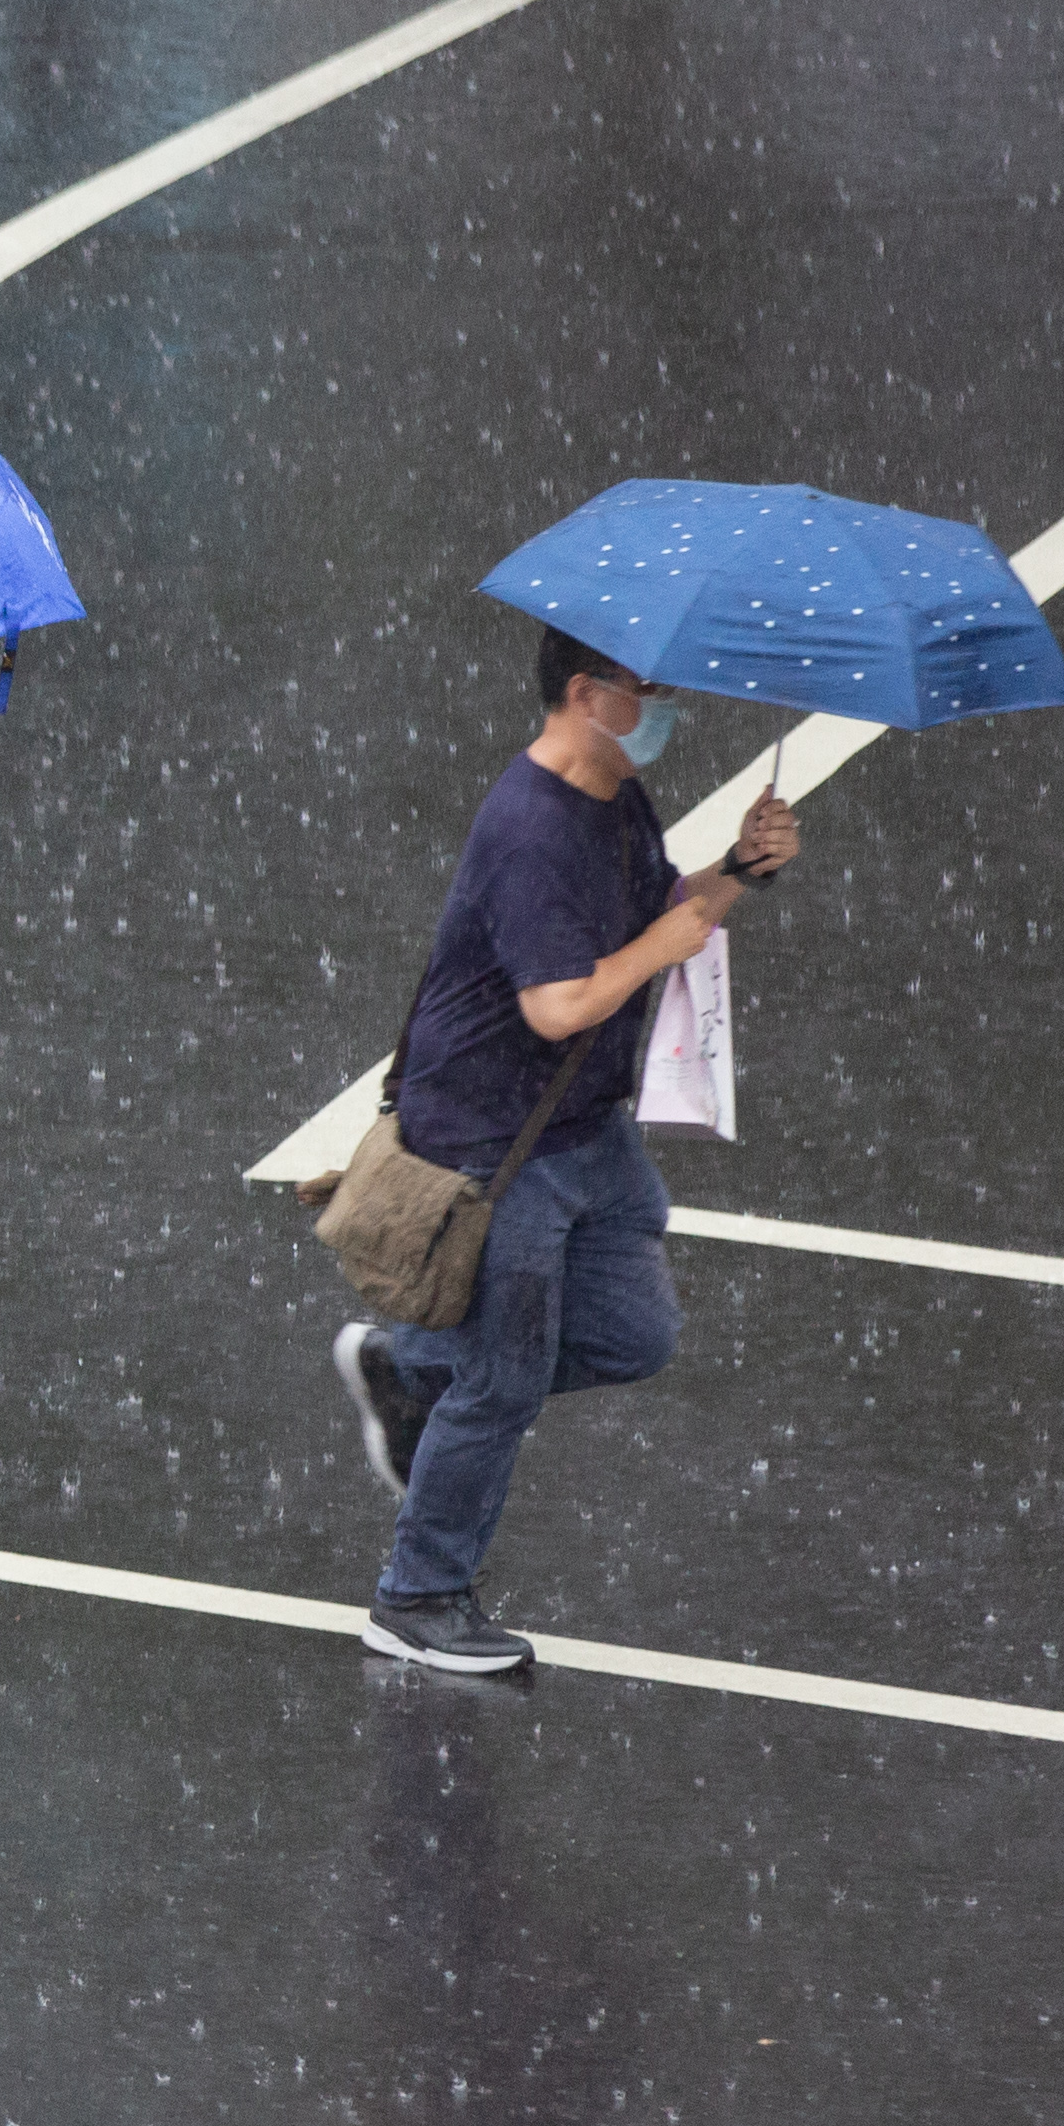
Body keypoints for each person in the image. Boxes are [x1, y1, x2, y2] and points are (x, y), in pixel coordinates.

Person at [331, 628, 798, 1672]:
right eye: (652, 689)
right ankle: (415, 1597)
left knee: (633, 1338)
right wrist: (659, 942)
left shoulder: (615, 793)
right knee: (501, 1382)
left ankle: (407, 1367)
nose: (670, 705)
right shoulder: (529, 830)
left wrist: (735, 872)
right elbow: (556, 1004)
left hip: (586, 1130)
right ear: (586, 694)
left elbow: (662, 919)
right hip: (498, 1147)